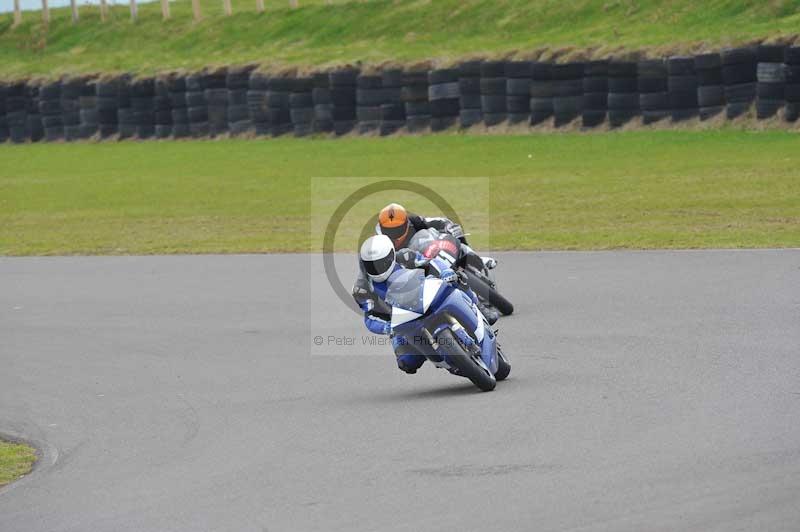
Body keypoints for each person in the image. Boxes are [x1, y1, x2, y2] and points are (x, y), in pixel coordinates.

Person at [352, 235, 490, 375]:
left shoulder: (405, 257)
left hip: (426, 297)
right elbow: (369, 318)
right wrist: (387, 327)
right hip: (401, 321)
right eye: (371, 265)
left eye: (380, 263)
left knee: (459, 280)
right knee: (407, 363)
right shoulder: (362, 289)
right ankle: (448, 362)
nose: (376, 268)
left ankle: (478, 306)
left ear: (391, 256)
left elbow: (432, 263)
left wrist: (445, 272)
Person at [375, 203, 497, 270]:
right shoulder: (379, 236)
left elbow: (437, 221)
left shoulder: (414, 221)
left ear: (407, 224)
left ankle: (475, 257)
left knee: (456, 233)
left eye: (397, 229)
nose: (393, 234)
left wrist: (449, 227)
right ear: (382, 228)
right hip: (409, 266)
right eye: (388, 230)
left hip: (428, 249)